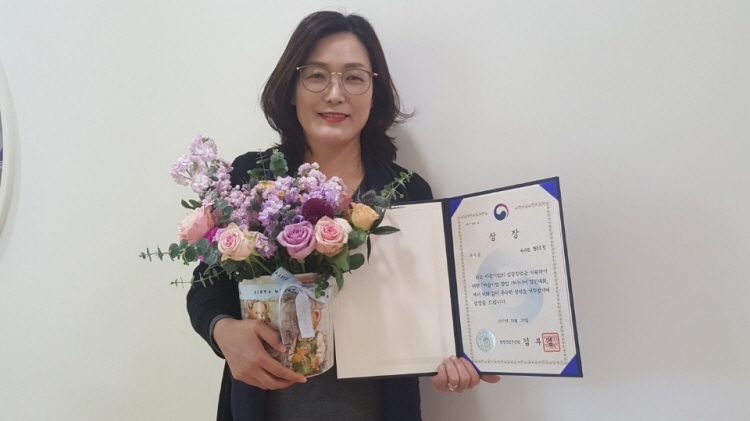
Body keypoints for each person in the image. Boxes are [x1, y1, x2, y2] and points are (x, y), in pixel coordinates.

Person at [187, 10, 500, 421]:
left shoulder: (408, 192)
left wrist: (457, 356)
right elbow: (206, 288)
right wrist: (222, 330)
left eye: (354, 78)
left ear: (374, 93)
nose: (335, 94)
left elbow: (430, 310)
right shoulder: (252, 178)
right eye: (317, 75)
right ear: (292, 89)